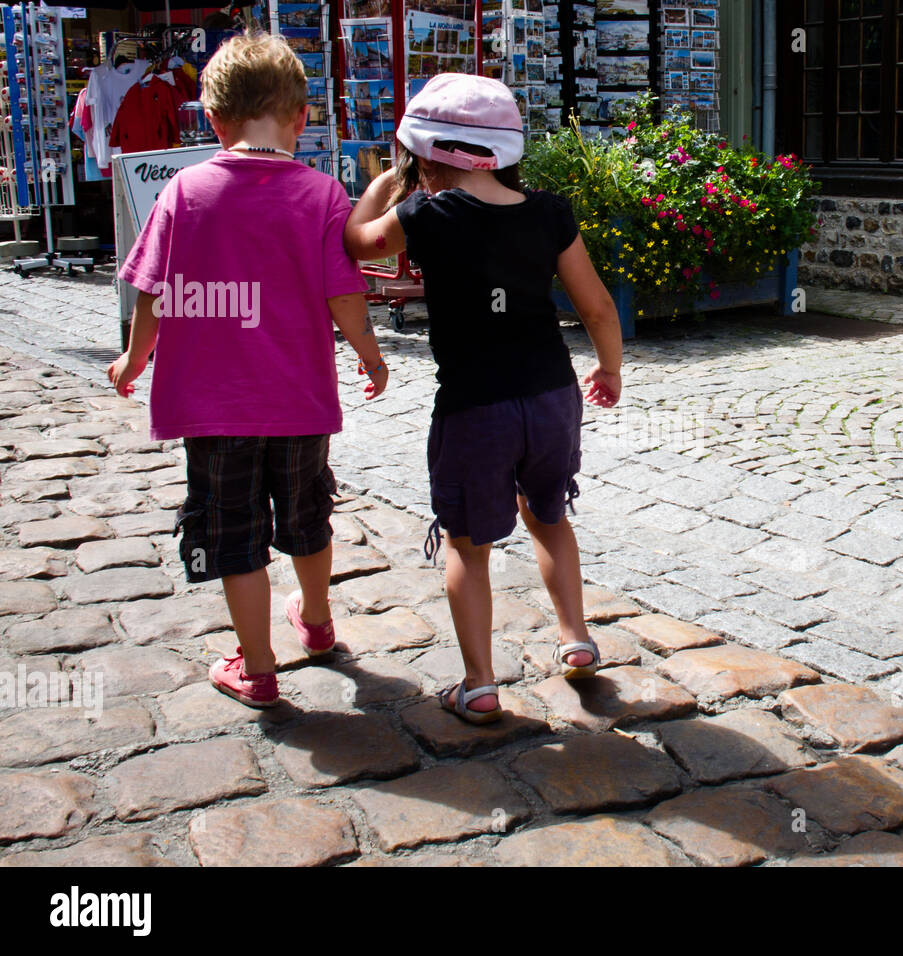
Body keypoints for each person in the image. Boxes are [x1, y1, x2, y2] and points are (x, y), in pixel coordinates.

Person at [107, 31, 387, 708]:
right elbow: (343, 293)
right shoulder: (322, 195)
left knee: (235, 536)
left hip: (214, 407)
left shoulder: (184, 192)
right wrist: (368, 353)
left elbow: (153, 293)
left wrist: (134, 358)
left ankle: (257, 666)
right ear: (301, 117)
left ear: (211, 118)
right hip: (299, 402)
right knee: (307, 513)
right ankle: (317, 626)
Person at [344, 73, 622, 724]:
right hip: (552, 396)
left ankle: (479, 683)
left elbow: (356, 243)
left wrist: (385, 185)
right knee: (550, 517)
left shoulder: (424, 215)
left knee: (468, 545)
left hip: (475, 407)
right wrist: (609, 369)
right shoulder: (550, 213)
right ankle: (576, 638)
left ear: (423, 156)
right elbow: (598, 304)